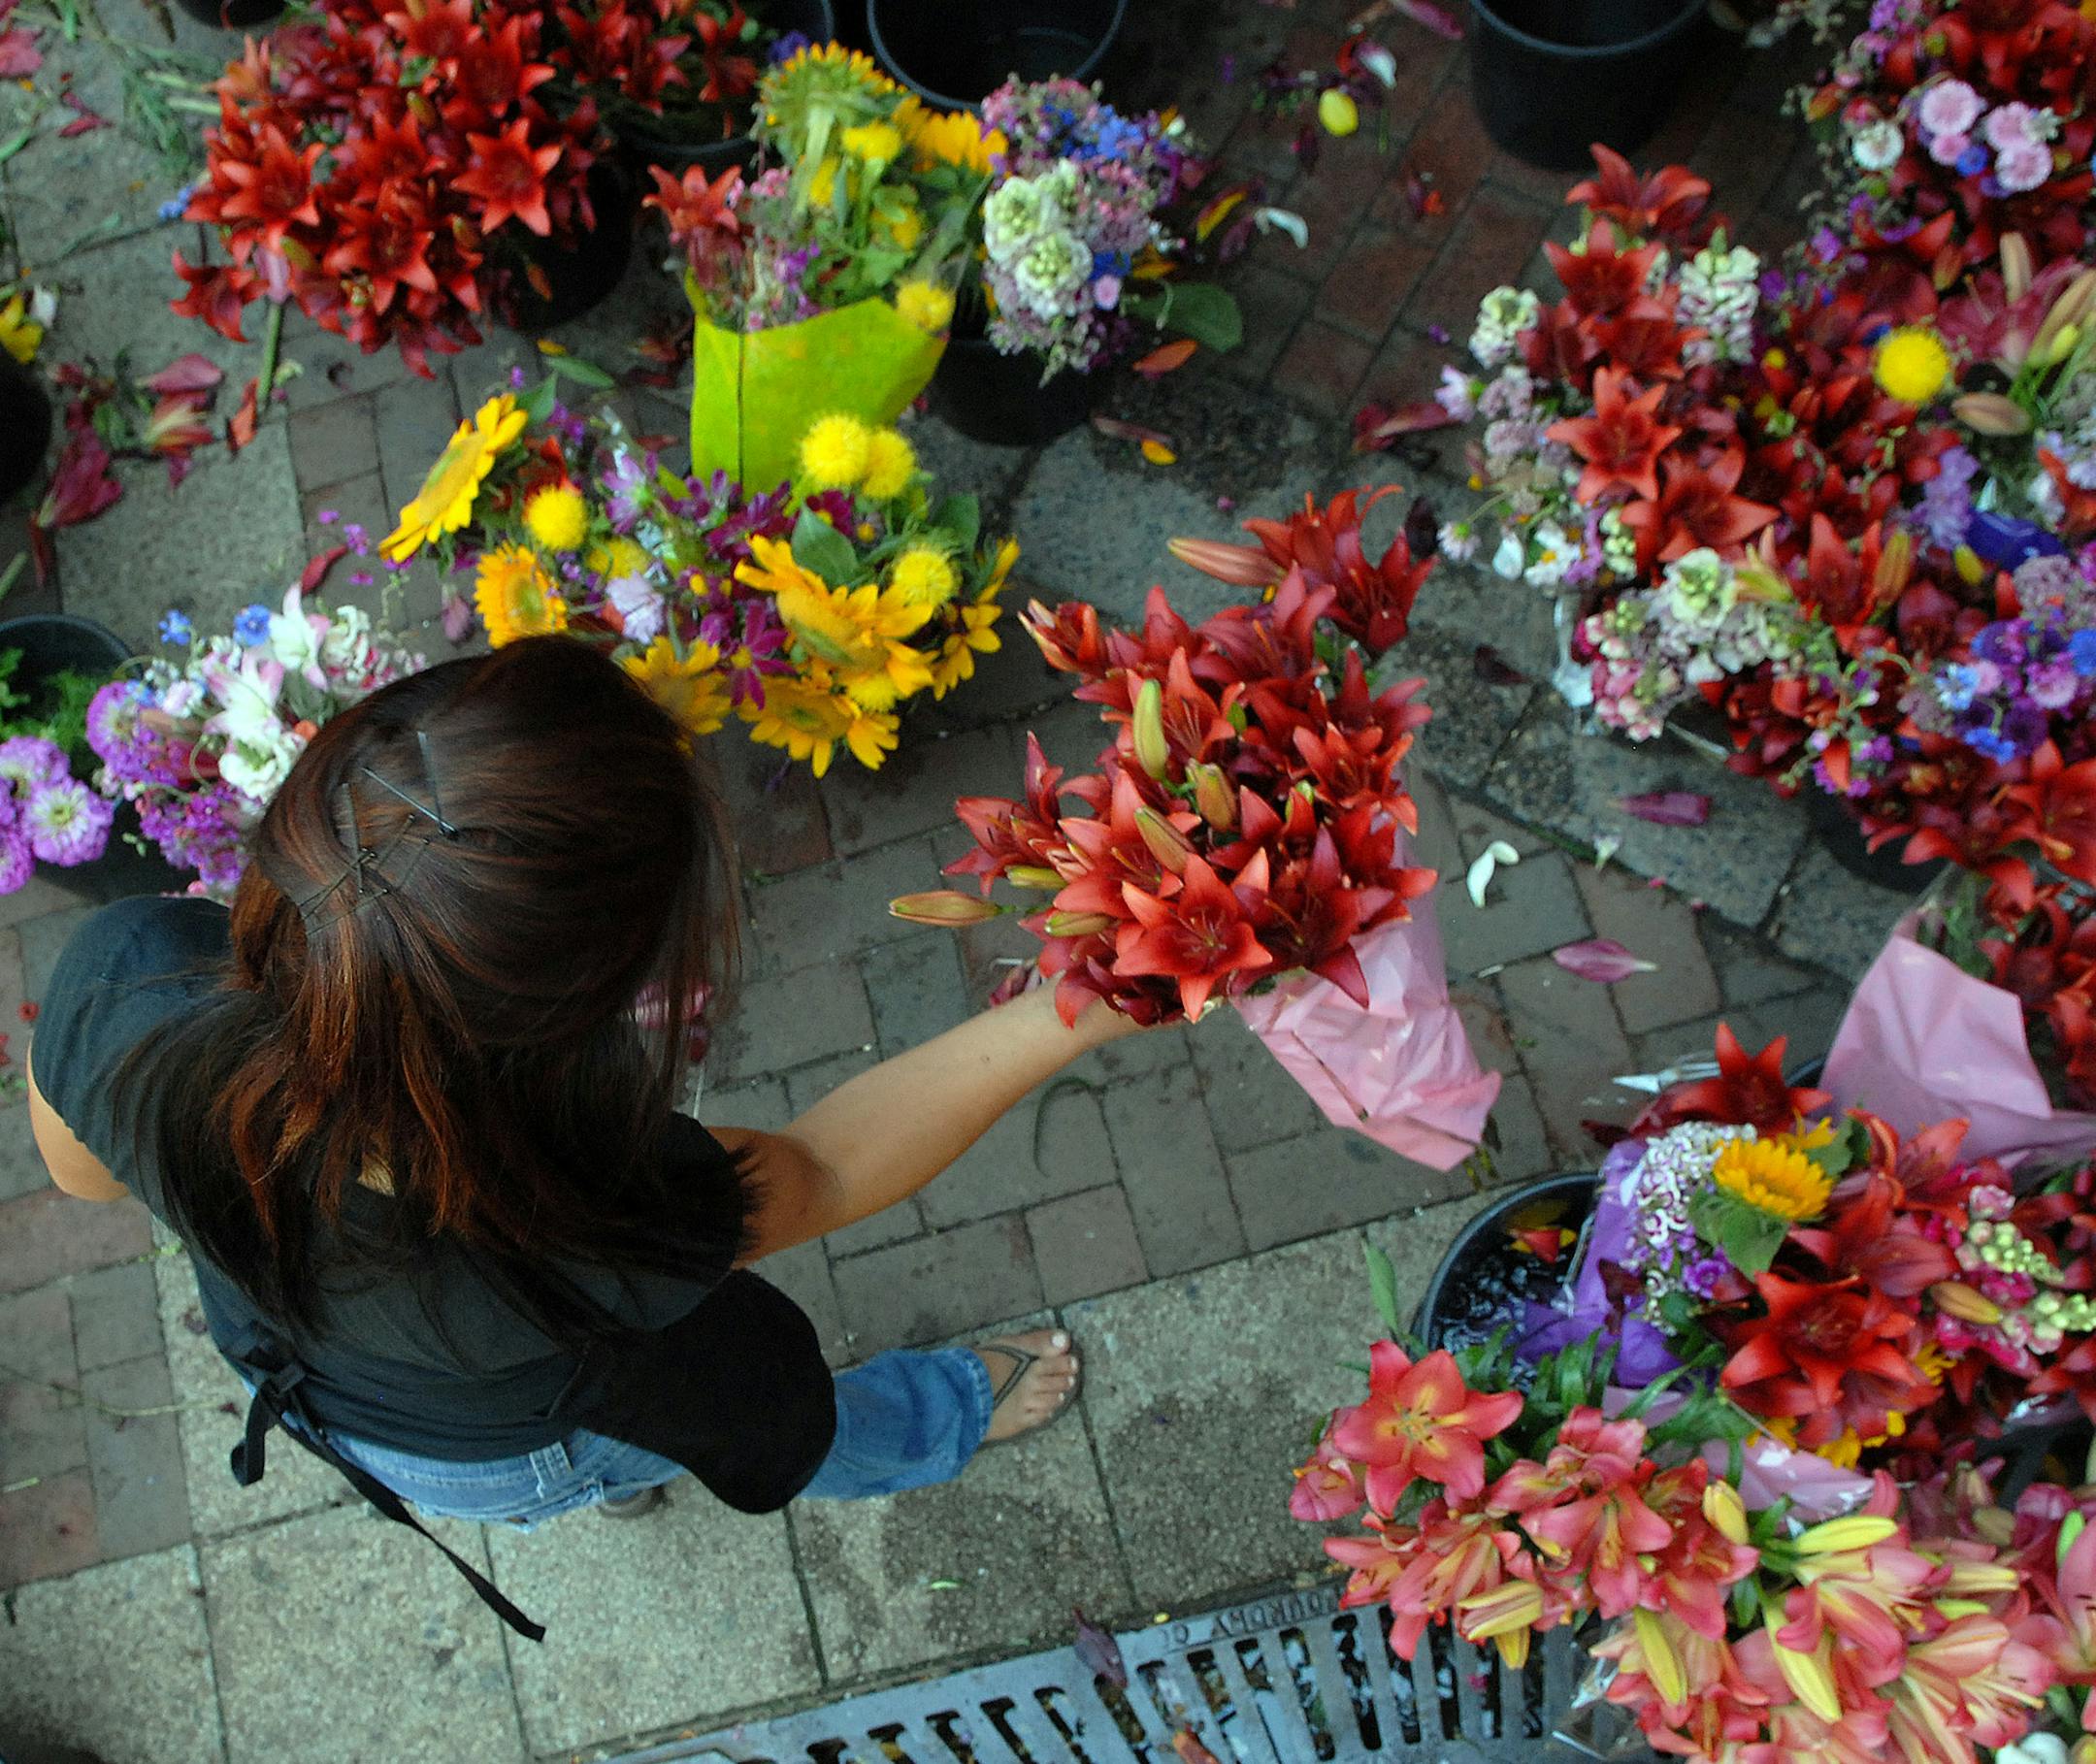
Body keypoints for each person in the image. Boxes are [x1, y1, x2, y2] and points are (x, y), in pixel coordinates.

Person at [27, 637, 1139, 1638]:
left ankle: (617, 1486)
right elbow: (832, 1165)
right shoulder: (581, 1201)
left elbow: (82, 1176)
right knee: (768, 1417)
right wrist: (1083, 997)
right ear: (591, 1004)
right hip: (535, 1431)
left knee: (611, 1458)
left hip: (377, 1425)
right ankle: (934, 1421)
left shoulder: (120, 978)